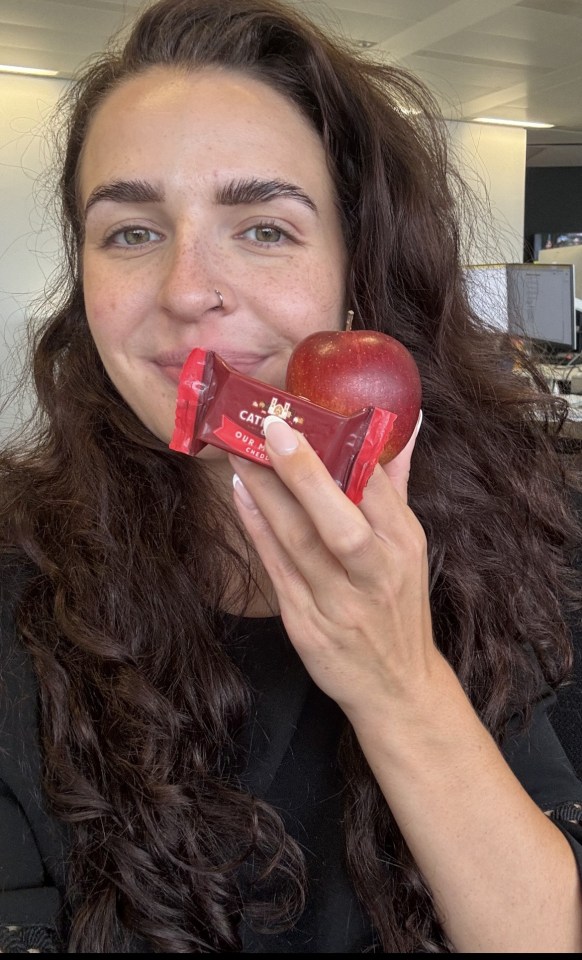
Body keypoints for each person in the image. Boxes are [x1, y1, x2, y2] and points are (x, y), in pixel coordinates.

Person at [1, 0, 582, 952]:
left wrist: (398, 681)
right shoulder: (17, 587)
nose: (188, 290)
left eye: (265, 228)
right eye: (132, 233)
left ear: (357, 271)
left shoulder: (523, 545)